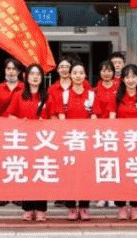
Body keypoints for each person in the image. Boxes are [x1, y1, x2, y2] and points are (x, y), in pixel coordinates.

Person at [103, 64, 137, 221]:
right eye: (127, 77)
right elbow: (112, 117)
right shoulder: (116, 96)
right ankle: (122, 207)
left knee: (136, 173)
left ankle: (135, 207)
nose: (130, 80)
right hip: (121, 142)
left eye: (133, 77)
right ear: (122, 79)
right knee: (121, 175)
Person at [4, 63, 51, 221]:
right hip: (24, 141)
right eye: (32, 74)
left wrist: (46, 123)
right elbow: (10, 116)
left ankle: (41, 208)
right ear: (25, 77)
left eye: (38, 74)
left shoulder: (47, 96)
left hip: (43, 141)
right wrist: (21, 122)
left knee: (41, 173)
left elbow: (55, 118)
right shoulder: (19, 95)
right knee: (27, 173)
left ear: (42, 78)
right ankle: (28, 208)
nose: (35, 77)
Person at [51, 61, 96, 221]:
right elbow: (61, 116)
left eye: (81, 73)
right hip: (69, 140)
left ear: (85, 75)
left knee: (85, 174)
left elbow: (94, 116)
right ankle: (71, 206)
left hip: (86, 140)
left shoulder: (91, 94)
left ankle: (84, 206)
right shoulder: (64, 95)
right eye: (75, 73)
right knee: (69, 173)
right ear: (70, 75)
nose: (78, 75)